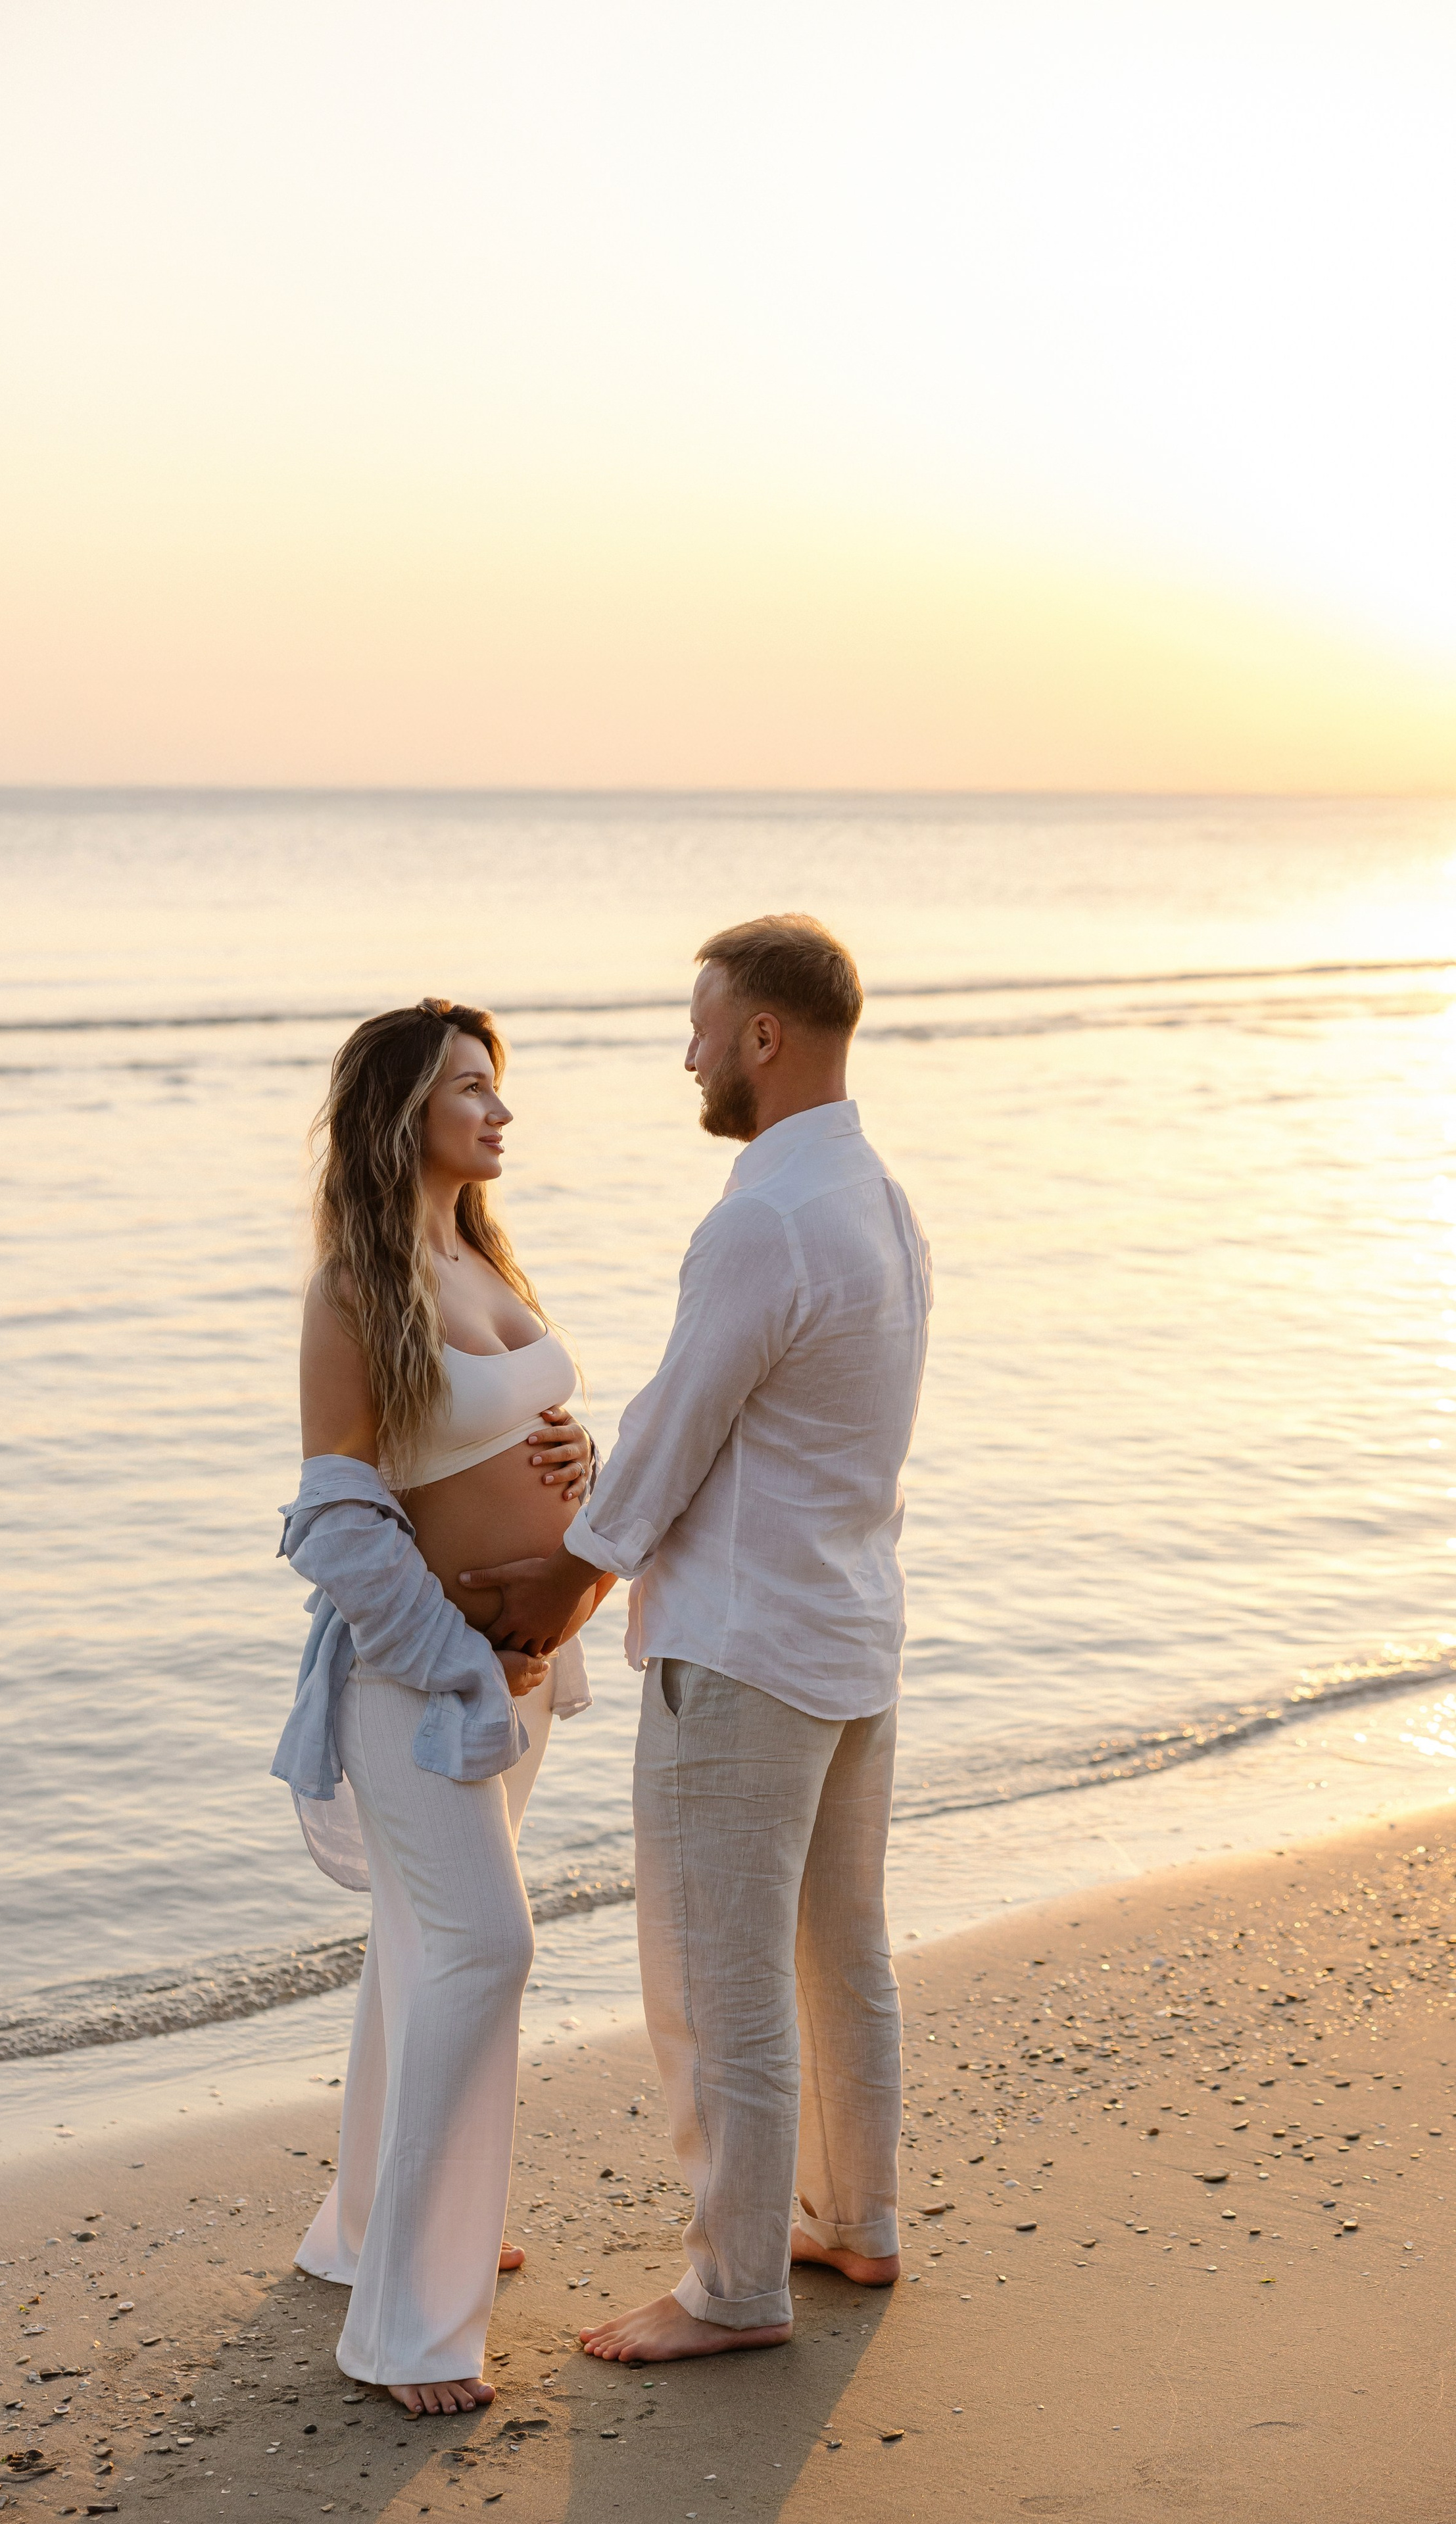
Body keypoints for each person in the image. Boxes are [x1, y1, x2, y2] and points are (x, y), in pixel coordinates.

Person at [464, 913, 931, 2364]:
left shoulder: (763, 1215)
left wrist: (565, 1579)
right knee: (834, 1953)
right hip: (847, 1627)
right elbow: (780, 1429)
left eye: (701, 1020)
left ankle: (733, 2285)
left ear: (763, 1036)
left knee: (711, 1974)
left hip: (741, 1652)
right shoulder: (878, 1198)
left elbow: (680, 1424)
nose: (688, 1050)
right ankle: (856, 2218)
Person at [272, 998, 614, 2415]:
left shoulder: (477, 1250)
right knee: (483, 1945)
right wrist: (469, 1655)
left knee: (422, 1948)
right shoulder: (357, 1286)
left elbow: (509, 1433)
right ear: (403, 1108)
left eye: (499, 1086)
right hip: (418, 1686)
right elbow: (339, 1520)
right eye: (472, 1088)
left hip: (514, 1674)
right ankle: (410, 2322)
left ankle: (368, 2230)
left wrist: (577, 1475)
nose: (499, 1111)